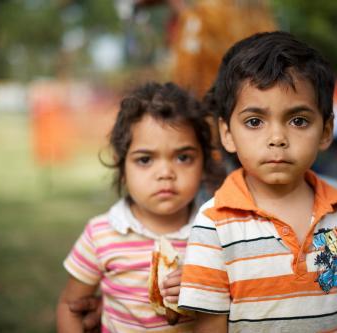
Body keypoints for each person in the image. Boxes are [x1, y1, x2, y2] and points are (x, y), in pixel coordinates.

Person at [177, 31, 337, 332]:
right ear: (227, 133)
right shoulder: (214, 224)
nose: (277, 138)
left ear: (326, 130)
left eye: (298, 120)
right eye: (255, 121)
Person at [56, 82, 222, 332]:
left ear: (204, 163)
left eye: (183, 157)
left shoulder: (217, 234)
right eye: (145, 159)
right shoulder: (100, 235)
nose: (165, 173)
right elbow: (70, 306)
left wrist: (204, 288)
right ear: (122, 168)